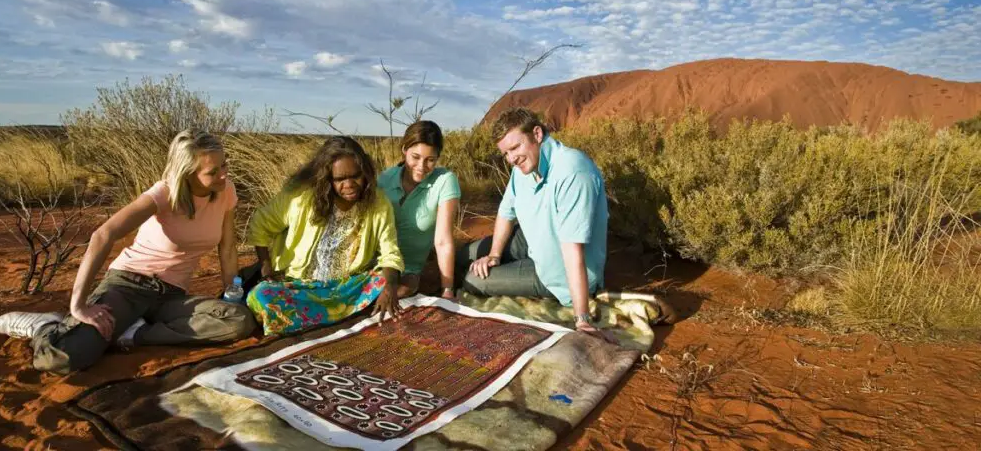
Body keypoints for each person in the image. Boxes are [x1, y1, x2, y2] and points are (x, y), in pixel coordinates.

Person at [0, 129, 256, 374]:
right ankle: (44, 327)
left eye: (224, 165)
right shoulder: (163, 194)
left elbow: (228, 247)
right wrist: (78, 305)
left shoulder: (225, 191)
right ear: (186, 173)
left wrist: (232, 293)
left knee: (239, 321)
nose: (224, 175)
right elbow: (104, 234)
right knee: (62, 359)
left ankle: (134, 333)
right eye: (213, 171)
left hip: (170, 296)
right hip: (129, 286)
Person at [457, 108, 674, 343]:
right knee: (464, 255)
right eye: (506, 153)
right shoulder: (523, 166)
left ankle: (580, 291)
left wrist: (581, 317)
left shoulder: (573, 171)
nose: (511, 159)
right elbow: (506, 212)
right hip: (533, 238)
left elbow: (572, 250)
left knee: (472, 280)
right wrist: (495, 255)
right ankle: (501, 261)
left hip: (556, 270)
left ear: (537, 134)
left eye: (515, 148)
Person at [245, 136, 405, 336]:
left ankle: (310, 318)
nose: (349, 185)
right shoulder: (300, 198)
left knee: (387, 280)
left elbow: (390, 251)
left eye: (356, 176)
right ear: (327, 178)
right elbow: (260, 224)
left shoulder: (378, 202)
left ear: (365, 172)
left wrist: (389, 285)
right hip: (300, 285)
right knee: (261, 296)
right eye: (340, 179)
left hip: (345, 287)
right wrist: (266, 268)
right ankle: (335, 314)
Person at [378, 121, 460, 300]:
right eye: (415, 157)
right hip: (379, 264)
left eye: (430, 160)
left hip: (409, 270)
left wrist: (447, 290)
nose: (422, 166)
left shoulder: (445, 181)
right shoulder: (384, 179)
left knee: (398, 293)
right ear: (404, 149)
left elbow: (443, 241)